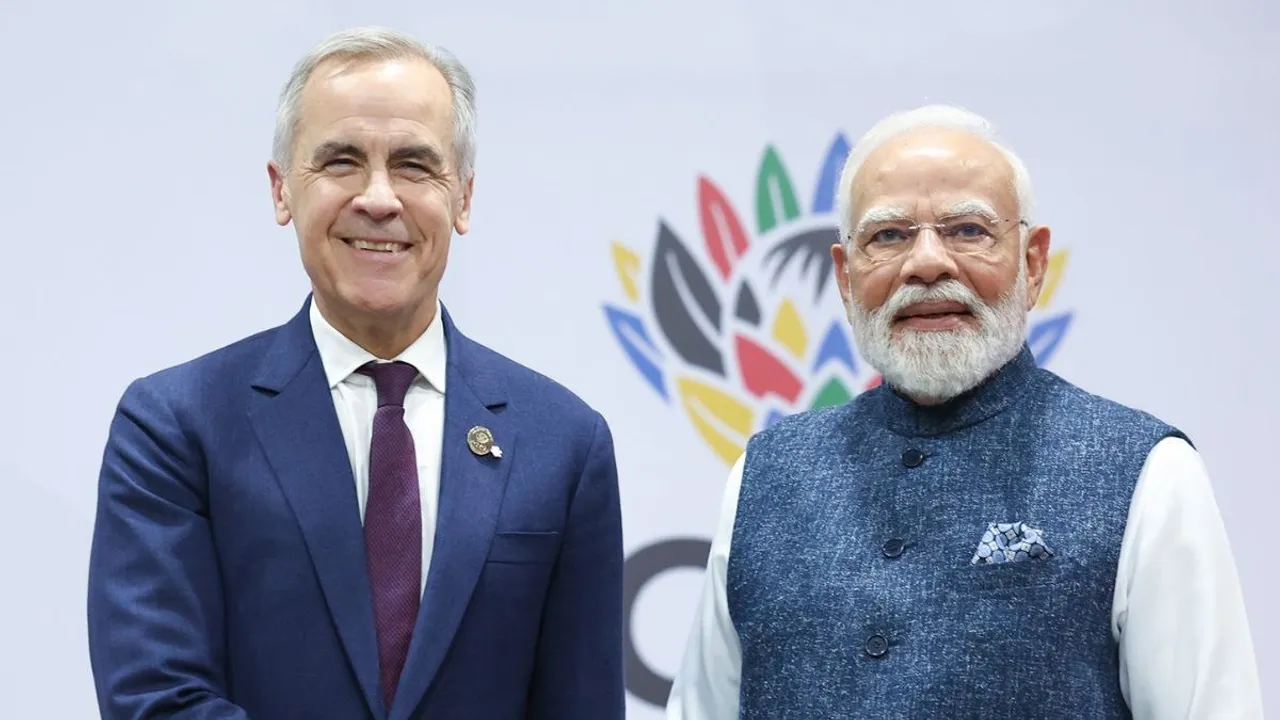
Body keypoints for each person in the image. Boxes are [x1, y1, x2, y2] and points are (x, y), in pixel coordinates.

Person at [86, 26, 624, 720]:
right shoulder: (175, 426)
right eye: (341, 161)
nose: (378, 198)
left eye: (413, 165)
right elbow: (154, 700)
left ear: (462, 196)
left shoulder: (564, 445)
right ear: (283, 191)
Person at [665, 105, 1262, 718]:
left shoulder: (1148, 472)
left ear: (1032, 263)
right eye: (889, 235)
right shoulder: (765, 475)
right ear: (846, 279)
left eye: (968, 230)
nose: (927, 263)